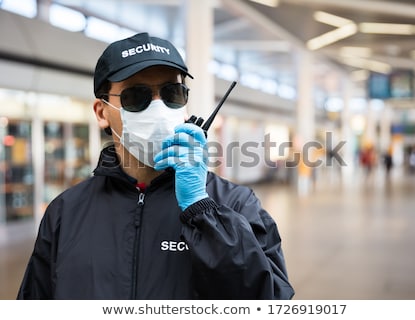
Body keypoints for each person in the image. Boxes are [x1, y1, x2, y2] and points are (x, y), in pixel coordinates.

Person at [17, 32, 294, 300]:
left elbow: (268, 301)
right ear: (102, 113)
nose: (159, 108)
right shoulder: (66, 213)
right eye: (136, 96)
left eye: (172, 92)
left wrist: (203, 212)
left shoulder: (236, 205)